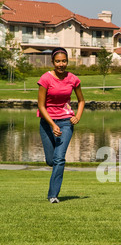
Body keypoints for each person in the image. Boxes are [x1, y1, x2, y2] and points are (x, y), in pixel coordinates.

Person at [37, 47, 85, 203]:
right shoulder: (45, 79)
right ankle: (53, 189)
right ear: (52, 62)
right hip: (47, 123)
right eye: (58, 61)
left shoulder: (73, 79)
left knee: (59, 159)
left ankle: (53, 195)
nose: (61, 64)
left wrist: (77, 115)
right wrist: (52, 124)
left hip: (65, 122)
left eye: (64, 61)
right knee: (51, 160)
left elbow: (81, 100)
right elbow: (41, 106)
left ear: (67, 61)